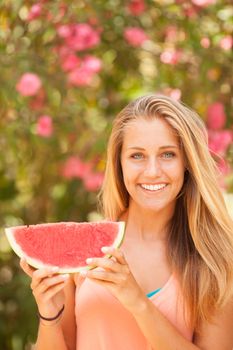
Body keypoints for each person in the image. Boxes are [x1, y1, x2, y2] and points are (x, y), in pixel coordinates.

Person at [21, 94, 233, 350]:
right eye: (137, 156)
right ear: (119, 163)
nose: (152, 171)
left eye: (167, 155)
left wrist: (137, 302)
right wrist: (49, 316)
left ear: (187, 163)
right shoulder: (86, 254)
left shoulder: (215, 261)